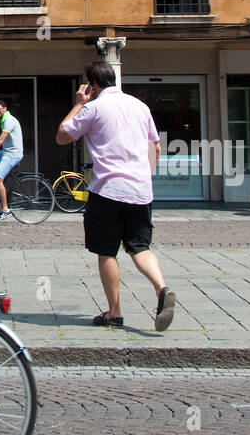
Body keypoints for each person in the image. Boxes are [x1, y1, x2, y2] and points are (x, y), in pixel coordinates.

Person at [56, 60, 175, 332]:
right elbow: (155, 147)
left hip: (108, 190)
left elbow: (62, 135)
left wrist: (78, 103)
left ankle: (115, 312)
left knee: (106, 251)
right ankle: (161, 288)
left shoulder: (93, 108)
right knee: (140, 247)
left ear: (93, 85)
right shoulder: (140, 106)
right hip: (141, 191)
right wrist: (146, 178)